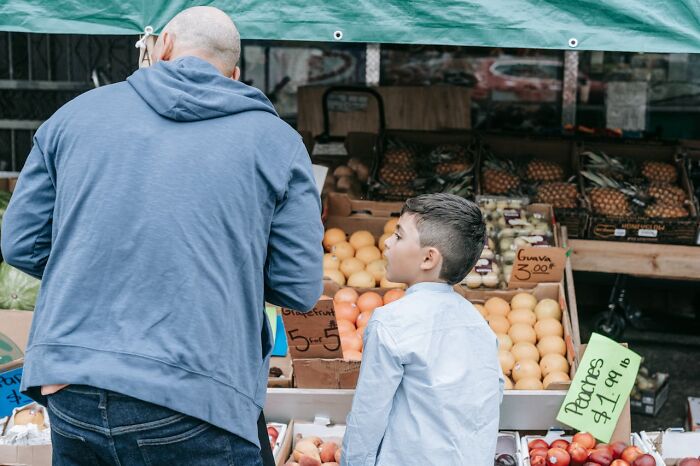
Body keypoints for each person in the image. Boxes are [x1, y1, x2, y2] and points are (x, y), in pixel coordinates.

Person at [1, 6, 323, 466]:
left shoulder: (72, 117)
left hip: (70, 384)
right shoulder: (276, 141)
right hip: (199, 394)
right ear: (235, 74)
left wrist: (94, 261)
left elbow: (20, 242)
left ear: (163, 46)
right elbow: (299, 287)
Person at [341, 193, 503, 466]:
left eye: (399, 235)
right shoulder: (478, 324)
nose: (388, 243)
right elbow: (491, 396)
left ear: (428, 258)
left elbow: (368, 414)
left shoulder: (390, 322)